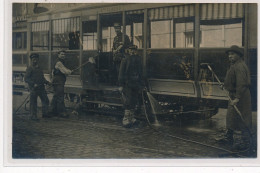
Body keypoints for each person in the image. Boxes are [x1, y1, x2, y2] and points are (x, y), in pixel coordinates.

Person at [220, 45, 252, 150]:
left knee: (243, 118)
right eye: (229, 54)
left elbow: (241, 83)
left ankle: (246, 142)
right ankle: (229, 138)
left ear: (238, 55)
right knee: (231, 117)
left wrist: (237, 98)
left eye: (232, 54)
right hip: (234, 94)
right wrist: (224, 85)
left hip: (241, 95)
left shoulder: (240, 66)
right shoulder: (233, 65)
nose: (230, 56)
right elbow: (231, 79)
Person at [118, 45, 142, 127]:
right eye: (131, 50)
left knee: (134, 101)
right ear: (128, 51)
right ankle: (125, 119)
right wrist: (121, 85)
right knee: (128, 101)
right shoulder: (125, 60)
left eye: (134, 50)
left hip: (136, 83)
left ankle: (131, 118)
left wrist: (142, 84)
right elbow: (121, 73)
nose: (132, 52)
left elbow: (141, 72)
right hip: (127, 84)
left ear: (136, 51)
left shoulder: (139, 60)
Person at [24, 53, 51, 120]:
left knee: (45, 100)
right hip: (34, 88)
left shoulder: (40, 68)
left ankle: (45, 114)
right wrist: (33, 84)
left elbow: (42, 78)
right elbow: (26, 79)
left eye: (36, 59)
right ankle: (33, 116)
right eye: (33, 59)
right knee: (33, 102)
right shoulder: (29, 68)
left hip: (41, 87)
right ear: (31, 60)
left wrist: (47, 82)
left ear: (38, 60)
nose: (35, 61)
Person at [50, 50, 72, 117]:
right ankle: (61, 113)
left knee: (56, 95)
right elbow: (65, 71)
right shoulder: (59, 62)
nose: (63, 55)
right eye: (62, 54)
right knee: (60, 96)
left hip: (58, 80)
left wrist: (68, 71)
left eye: (64, 54)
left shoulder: (60, 62)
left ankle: (53, 111)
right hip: (58, 80)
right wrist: (70, 71)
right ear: (58, 55)